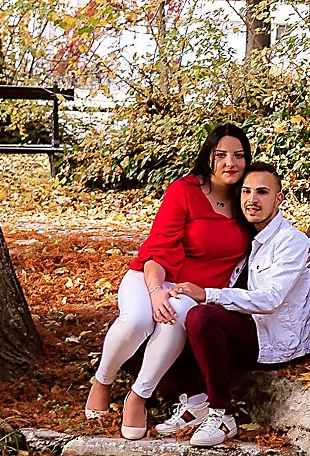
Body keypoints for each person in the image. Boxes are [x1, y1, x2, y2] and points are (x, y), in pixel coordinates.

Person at [87, 123, 254, 438]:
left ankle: (138, 397)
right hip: (150, 275)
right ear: (208, 158)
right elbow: (158, 249)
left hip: (192, 291)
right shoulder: (184, 191)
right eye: (221, 155)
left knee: (177, 314)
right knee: (137, 321)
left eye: (239, 156)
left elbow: (274, 230)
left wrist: (306, 247)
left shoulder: (245, 200)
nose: (230, 163)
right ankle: (102, 381)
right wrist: (155, 292)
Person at [148, 163, 310, 449]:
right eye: (247, 192)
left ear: (279, 199)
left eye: (262, 192)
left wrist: (208, 294)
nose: (252, 199)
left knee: (202, 316)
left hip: (273, 340)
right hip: (246, 327)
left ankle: (222, 415)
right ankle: (195, 402)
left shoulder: (291, 241)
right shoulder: (246, 237)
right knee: (161, 322)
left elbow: (270, 299)